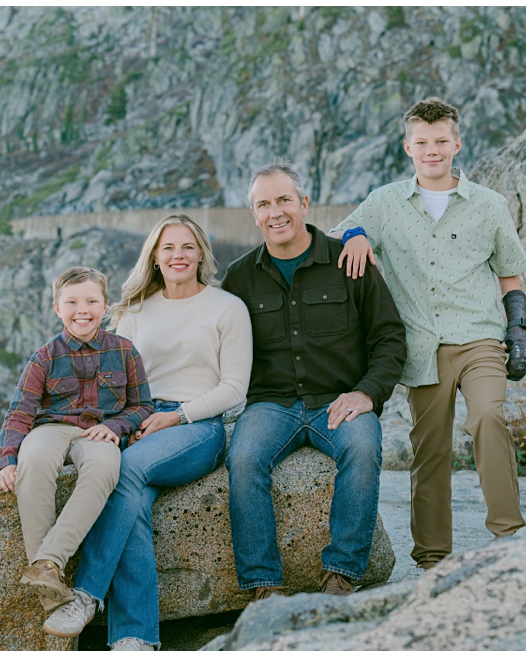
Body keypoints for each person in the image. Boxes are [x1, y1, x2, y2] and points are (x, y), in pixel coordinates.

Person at [333, 97, 526, 570]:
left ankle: (509, 536)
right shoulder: (384, 202)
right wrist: (356, 234)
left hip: (481, 337)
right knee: (430, 448)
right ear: (409, 147)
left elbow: (510, 274)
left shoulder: (489, 205)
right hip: (421, 346)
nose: (433, 150)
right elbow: (338, 233)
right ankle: (431, 559)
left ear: (456, 144)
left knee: (488, 418)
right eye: (422, 142)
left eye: (442, 141)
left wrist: (519, 328)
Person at [41, 215, 253, 650]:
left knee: (127, 470)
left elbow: (234, 387)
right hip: (137, 418)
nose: (178, 255)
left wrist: (174, 418)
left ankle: (86, 594)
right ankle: (135, 639)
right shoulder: (135, 311)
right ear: (155, 256)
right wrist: (130, 422)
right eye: (168, 248)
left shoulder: (227, 307)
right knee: (130, 498)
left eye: (187, 247)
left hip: (196, 426)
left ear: (201, 254)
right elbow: (114, 380)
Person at [222, 160, 406, 599]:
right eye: (263, 204)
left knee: (363, 446)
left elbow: (390, 337)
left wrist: (367, 392)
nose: (275, 212)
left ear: (304, 203)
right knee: (244, 458)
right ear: (254, 214)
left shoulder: (349, 260)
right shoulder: (239, 279)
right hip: (270, 404)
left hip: (338, 401)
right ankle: (263, 585)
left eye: (284, 199)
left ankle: (342, 574)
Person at [0, 266, 153, 613]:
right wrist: (7, 460)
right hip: (50, 428)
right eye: (72, 302)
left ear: (105, 306)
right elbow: (20, 412)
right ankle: (48, 579)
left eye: (92, 301)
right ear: (57, 308)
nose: (83, 309)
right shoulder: (44, 357)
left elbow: (143, 405)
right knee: (32, 462)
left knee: (105, 468)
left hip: (99, 431)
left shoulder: (125, 351)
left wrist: (117, 427)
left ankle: (47, 562)